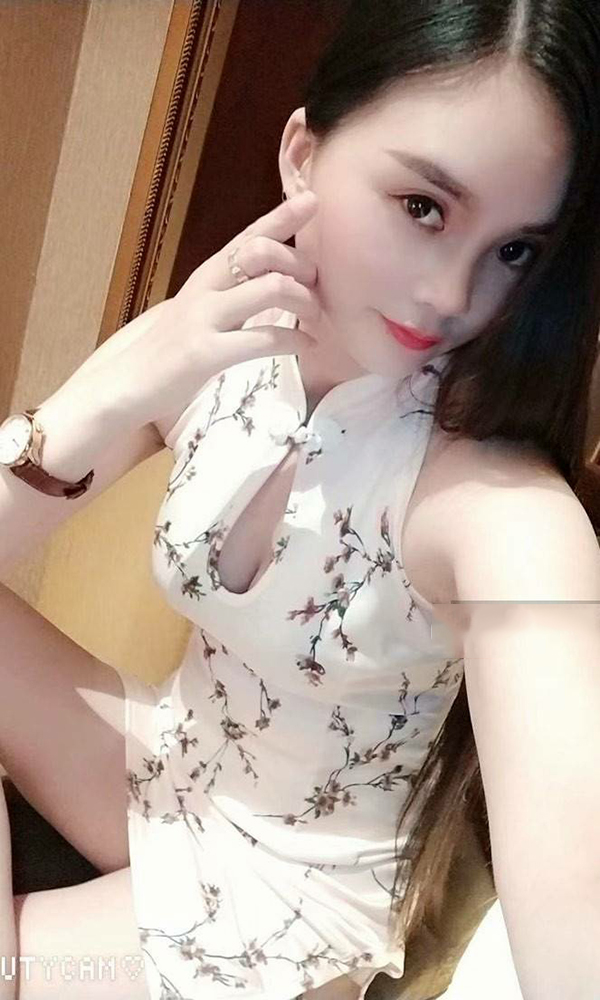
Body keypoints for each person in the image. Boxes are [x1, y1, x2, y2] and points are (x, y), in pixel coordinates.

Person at [0, 1, 599, 998]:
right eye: (424, 207)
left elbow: (581, 936)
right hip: (164, 768)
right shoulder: (221, 354)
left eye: (514, 252)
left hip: (287, 910)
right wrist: (110, 390)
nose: (452, 297)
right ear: (303, 155)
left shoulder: (496, 510)